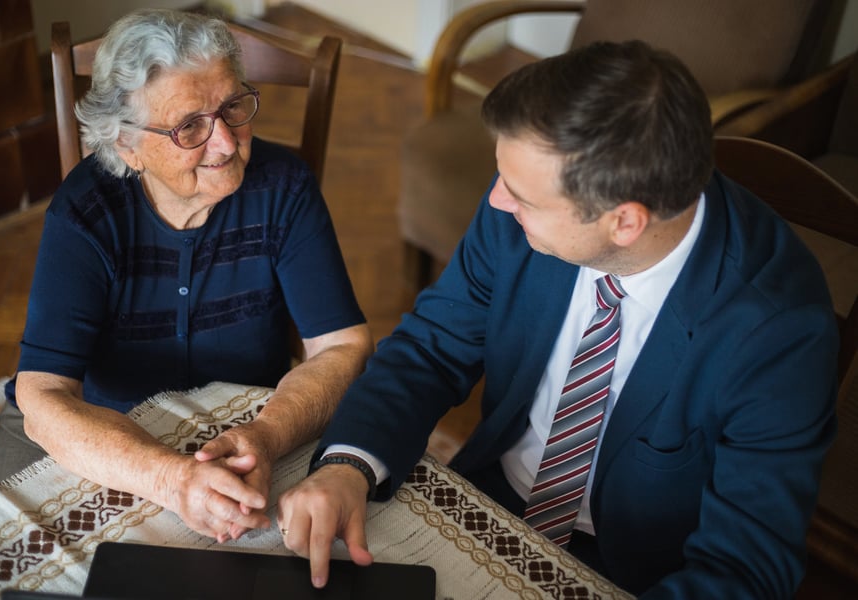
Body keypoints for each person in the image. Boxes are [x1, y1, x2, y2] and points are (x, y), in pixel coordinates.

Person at [277, 40, 839, 598]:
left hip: (640, 574)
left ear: (625, 223)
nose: (497, 201)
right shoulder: (521, 212)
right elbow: (430, 348)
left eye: (520, 195)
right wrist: (348, 465)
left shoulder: (779, 331)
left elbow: (746, 568)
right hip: (489, 501)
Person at [0, 9, 373, 544]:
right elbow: (43, 393)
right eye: (189, 125)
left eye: (233, 106)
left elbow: (343, 345)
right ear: (127, 145)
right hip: (107, 432)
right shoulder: (85, 213)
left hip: (247, 423)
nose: (226, 142)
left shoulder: (283, 187)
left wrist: (266, 434)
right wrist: (170, 479)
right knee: (24, 557)